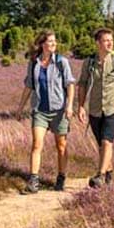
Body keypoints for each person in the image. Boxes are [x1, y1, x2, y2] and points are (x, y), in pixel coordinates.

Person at [15, 30, 75, 193]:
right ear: (42, 44)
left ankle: (61, 177)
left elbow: (70, 84)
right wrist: (20, 108)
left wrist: (70, 106)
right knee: (36, 144)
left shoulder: (62, 62)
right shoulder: (34, 63)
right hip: (39, 110)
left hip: (59, 110)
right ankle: (34, 181)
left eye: (55, 41)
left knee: (61, 145)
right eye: (50, 41)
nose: (54, 44)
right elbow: (29, 86)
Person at [76, 27, 114, 188]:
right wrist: (80, 106)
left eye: (111, 40)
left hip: (113, 108)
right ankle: (110, 175)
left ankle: (100, 175)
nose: (110, 43)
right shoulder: (89, 63)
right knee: (102, 146)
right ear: (98, 43)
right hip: (95, 109)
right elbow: (82, 84)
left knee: (107, 141)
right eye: (106, 40)